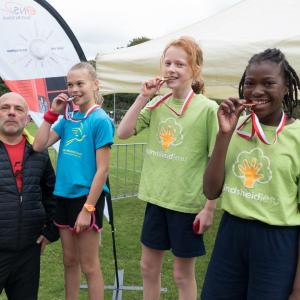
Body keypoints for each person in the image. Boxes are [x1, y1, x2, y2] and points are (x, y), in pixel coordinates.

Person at [117, 36, 218, 300]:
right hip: (156, 199)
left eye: (180, 64)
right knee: (147, 268)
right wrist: (142, 97)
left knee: (182, 275)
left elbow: (216, 161)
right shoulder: (156, 103)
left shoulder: (208, 109)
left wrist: (209, 208)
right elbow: (124, 132)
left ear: (194, 70)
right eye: (168, 62)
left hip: (186, 205)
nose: (172, 69)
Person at [201, 48, 300, 300]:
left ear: (286, 87)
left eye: (268, 83)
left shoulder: (297, 136)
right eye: (249, 83)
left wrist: (298, 288)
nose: (257, 91)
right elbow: (211, 190)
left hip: (277, 241)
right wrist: (224, 134)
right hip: (231, 234)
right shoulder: (234, 128)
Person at [33, 62, 114, 300]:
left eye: (80, 83)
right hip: (63, 196)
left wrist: (88, 209)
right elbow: (39, 145)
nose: (74, 89)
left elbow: (103, 170)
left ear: (95, 84)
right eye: (70, 84)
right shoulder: (68, 118)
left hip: (85, 199)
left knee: (89, 265)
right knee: (69, 261)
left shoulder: (99, 120)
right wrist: (52, 114)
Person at [0, 92, 58, 300]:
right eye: (5, 108)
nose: (12, 113)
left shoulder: (38, 152)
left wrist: (52, 231)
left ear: (26, 118)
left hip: (28, 252)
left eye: (19, 109)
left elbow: (51, 193)